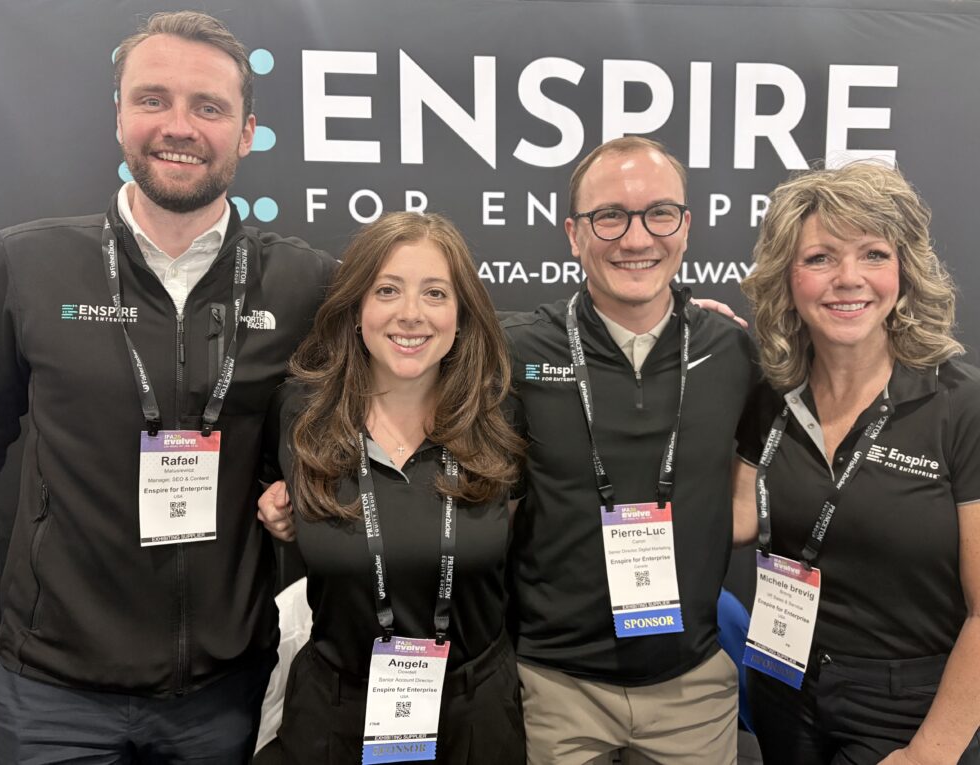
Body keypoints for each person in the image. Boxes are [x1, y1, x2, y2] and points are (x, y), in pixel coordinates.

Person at [0, 11, 334, 761]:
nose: (180, 126)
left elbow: (332, 436)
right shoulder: (29, 265)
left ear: (247, 131)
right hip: (54, 694)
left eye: (209, 106)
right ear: (120, 116)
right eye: (153, 99)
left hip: (224, 694)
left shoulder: (303, 282)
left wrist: (294, 487)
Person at [503, 136, 757, 764]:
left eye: (659, 214)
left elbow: (750, 503)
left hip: (692, 689)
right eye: (609, 216)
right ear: (573, 233)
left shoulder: (734, 351)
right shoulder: (515, 352)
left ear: (687, 226)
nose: (637, 239)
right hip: (554, 686)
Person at [255, 212, 527, 764]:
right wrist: (275, 506)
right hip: (337, 712)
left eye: (435, 293)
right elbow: (272, 497)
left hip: (474, 716)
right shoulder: (300, 416)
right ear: (356, 310)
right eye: (387, 290)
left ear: (461, 315)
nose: (411, 314)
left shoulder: (501, 420)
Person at [736, 161, 980, 764]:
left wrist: (931, 752)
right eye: (820, 258)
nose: (849, 279)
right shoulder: (770, 395)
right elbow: (737, 517)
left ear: (904, 272)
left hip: (909, 709)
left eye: (873, 254)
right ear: (785, 278)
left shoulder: (960, 405)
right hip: (782, 685)